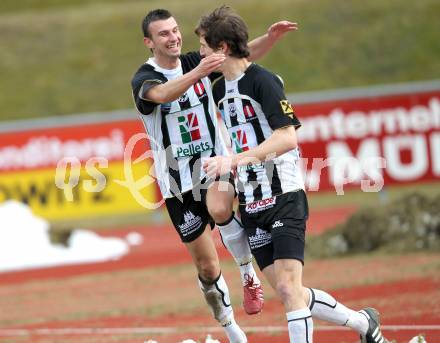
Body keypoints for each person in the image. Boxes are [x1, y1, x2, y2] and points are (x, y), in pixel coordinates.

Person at [200, 6, 390, 343]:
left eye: (203, 45)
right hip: (252, 201)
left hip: (284, 194)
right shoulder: (217, 91)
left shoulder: (264, 81)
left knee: (289, 288)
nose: (199, 53)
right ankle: (364, 324)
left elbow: (288, 137)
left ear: (222, 48)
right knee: (292, 291)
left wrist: (234, 161)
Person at [131, 9, 297, 342]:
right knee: (207, 268)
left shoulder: (199, 60)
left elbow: (238, 56)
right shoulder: (144, 78)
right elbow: (163, 95)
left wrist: (271, 38)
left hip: (216, 164)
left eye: (175, 30)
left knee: (222, 208)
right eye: (163, 34)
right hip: (179, 185)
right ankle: (230, 327)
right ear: (149, 42)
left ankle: (248, 274)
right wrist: (201, 71)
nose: (174, 37)